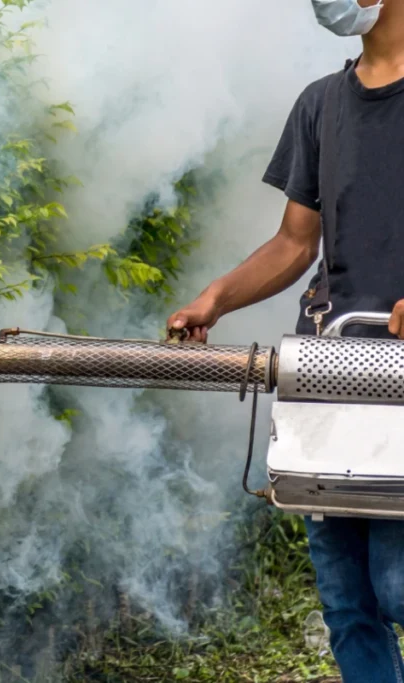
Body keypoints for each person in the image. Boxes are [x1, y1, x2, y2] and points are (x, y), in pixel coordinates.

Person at [167, 1, 404, 680]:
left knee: (397, 585)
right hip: (326, 378)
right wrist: (215, 298)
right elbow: (295, 242)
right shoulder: (321, 105)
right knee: (349, 603)